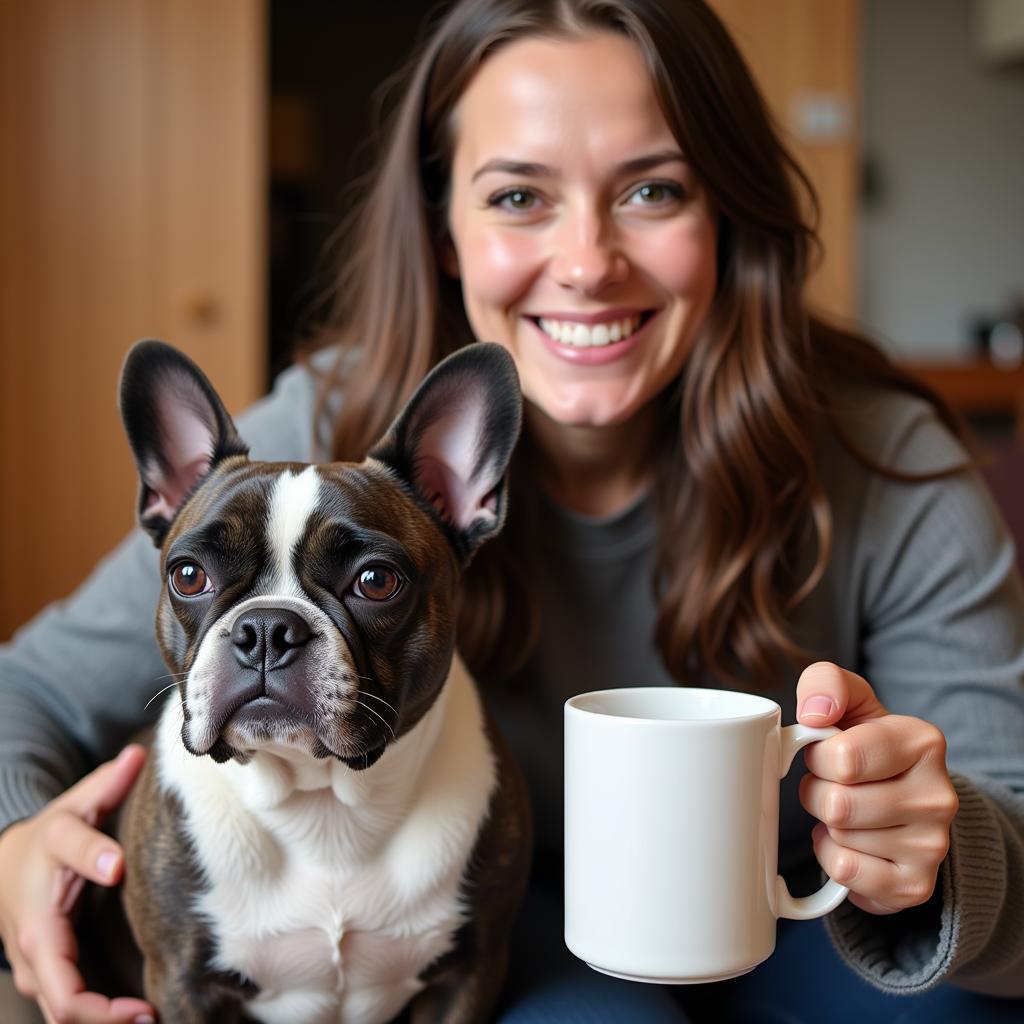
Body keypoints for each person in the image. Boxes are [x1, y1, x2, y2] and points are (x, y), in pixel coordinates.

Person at [1, 1, 1023, 1021]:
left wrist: (940, 845)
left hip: (798, 914)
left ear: (728, 212)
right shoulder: (318, 453)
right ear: (443, 224)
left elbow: (1005, 820)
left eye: (653, 189)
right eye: (519, 195)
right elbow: (28, 690)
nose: (586, 261)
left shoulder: (883, 463)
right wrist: (15, 840)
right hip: (513, 924)